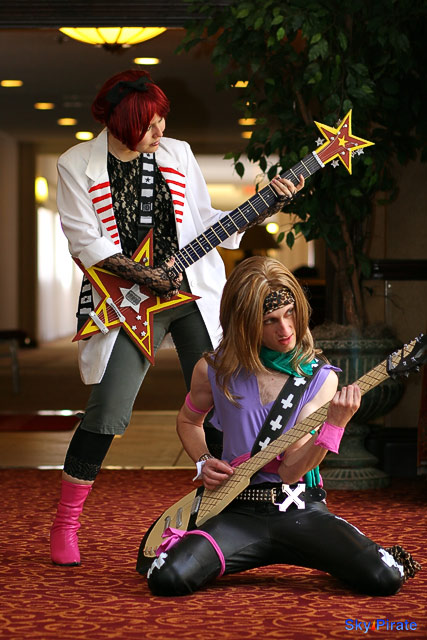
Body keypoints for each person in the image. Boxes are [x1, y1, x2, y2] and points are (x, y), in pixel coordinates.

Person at [50, 69, 304, 566]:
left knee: (226, 396)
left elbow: (206, 223)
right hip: (125, 300)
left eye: (162, 120)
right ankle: (66, 522)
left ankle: (236, 509)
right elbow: (85, 241)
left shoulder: (177, 154)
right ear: (121, 123)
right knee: (107, 410)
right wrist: (148, 277)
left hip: (189, 292)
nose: (160, 131)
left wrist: (262, 206)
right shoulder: (75, 164)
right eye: (149, 125)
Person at [144, 256, 420, 596]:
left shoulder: (318, 378)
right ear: (244, 324)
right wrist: (203, 459)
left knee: (384, 577)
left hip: (300, 510)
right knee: (166, 578)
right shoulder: (214, 370)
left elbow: (290, 470)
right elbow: (189, 420)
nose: (286, 329)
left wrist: (334, 426)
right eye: (270, 320)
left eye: (290, 314)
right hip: (236, 511)